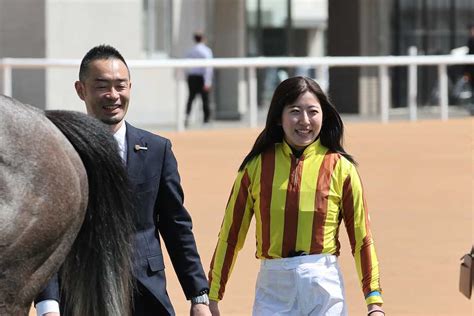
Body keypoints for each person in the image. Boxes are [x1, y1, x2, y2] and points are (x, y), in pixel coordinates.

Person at [35, 45, 211, 316]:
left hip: (145, 294)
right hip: (81, 295)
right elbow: (48, 235)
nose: (113, 95)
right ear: (81, 90)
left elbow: (176, 226)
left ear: (130, 87)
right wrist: (49, 305)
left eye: (120, 85)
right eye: (102, 86)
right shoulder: (60, 151)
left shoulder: (157, 150)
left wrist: (198, 295)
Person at [207, 76, 385, 316]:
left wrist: (374, 302)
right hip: (273, 289)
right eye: (295, 112)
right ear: (279, 118)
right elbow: (230, 235)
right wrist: (212, 295)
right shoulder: (255, 167)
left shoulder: (342, 169)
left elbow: (362, 238)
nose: (304, 121)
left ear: (324, 115)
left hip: (323, 287)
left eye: (313, 112)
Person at [184, 32, 213, 127]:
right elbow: (208, 67)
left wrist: (186, 77)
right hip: (201, 77)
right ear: (203, 39)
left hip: (192, 77)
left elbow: (186, 65)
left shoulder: (190, 51)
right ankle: (206, 120)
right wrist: (207, 81)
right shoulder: (206, 51)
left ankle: (187, 116)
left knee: (191, 98)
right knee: (205, 99)